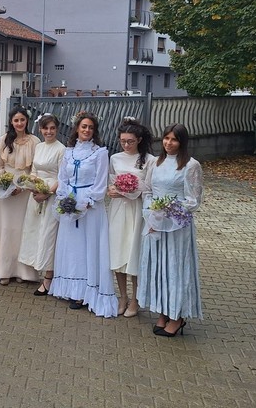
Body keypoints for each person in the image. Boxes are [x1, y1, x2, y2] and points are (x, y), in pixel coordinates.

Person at [49, 111, 118, 317]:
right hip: (69, 204)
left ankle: (86, 293)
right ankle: (71, 289)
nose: (87, 130)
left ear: (94, 131)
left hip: (90, 208)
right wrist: (64, 199)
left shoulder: (100, 153)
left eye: (90, 127)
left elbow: (101, 182)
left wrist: (86, 202)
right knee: (71, 248)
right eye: (83, 126)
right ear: (77, 128)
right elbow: (62, 178)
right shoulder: (68, 152)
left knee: (88, 247)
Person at [137, 123, 203, 337]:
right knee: (158, 268)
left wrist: (169, 209)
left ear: (182, 142)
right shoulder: (155, 163)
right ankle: (163, 311)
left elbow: (193, 201)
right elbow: (146, 189)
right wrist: (152, 210)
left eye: (174, 139)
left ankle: (177, 315)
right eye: (166, 138)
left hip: (177, 227)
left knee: (174, 268)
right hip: (155, 223)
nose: (168, 143)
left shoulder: (190, 165)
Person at [0, 107, 40, 285]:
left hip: (24, 191)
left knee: (22, 230)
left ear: (27, 121)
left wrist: (23, 187)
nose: (19, 123)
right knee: (6, 229)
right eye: (16, 120)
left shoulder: (35, 141)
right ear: (11, 122)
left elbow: (35, 170)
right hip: (6, 191)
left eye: (22, 120)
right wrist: (1, 184)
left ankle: (22, 271)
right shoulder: (4, 140)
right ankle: (4, 269)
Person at [107, 118, 154, 317]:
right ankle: (122, 296)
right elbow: (110, 180)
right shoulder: (115, 158)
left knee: (133, 253)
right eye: (123, 141)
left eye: (130, 141)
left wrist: (130, 190)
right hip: (118, 210)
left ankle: (136, 298)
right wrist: (111, 190)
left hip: (137, 210)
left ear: (139, 140)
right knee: (118, 252)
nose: (126, 145)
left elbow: (150, 188)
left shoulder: (149, 160)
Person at [18, 113, 66, 295]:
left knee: (48, 235)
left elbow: (62, 177)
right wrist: (32, 187)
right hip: (36, 194)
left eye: (52, 128)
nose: (49, 131)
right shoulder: (38, 146)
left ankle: (49, 277)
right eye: (46, 128)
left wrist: (47, 193)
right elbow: (34, 170)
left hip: (51, 196)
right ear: (41, 129)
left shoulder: (61, 149)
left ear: (57, 129)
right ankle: (38, 270)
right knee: (35, 233)